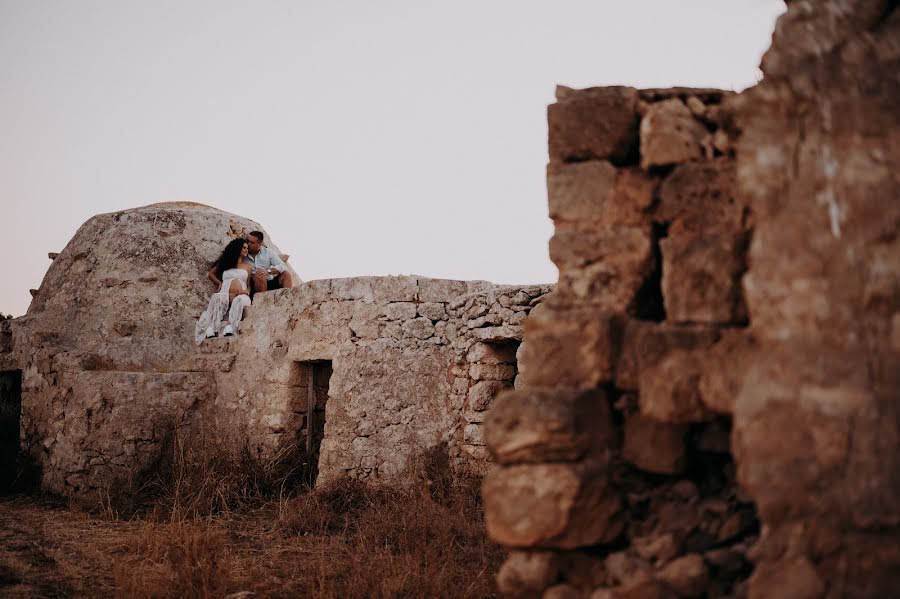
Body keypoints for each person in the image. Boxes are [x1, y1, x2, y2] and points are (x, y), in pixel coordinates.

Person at [194, 238, 253, 343]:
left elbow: (249, 285)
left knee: (238, 300)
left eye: (247, 248)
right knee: (216, 297)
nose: (246, 250)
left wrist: (247, 291)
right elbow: (211, 273)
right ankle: (211, 326)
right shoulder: (225, 262)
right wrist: (219, 283)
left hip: (241, 295)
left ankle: (230, 325)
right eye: (244, 248)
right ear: (237, 248)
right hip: (225, 292)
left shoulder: (248, 267)